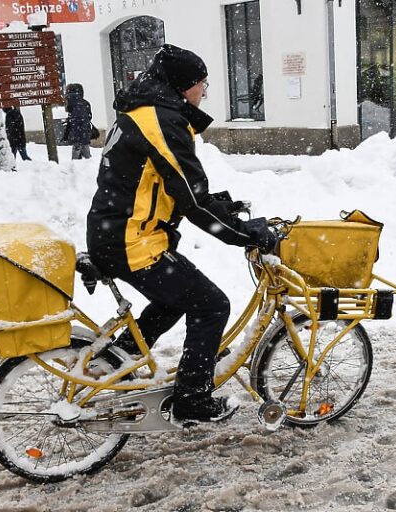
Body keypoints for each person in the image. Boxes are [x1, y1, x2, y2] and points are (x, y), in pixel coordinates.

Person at [86, 44, 276, 424]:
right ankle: (192, 399)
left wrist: (225, 208)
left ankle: (116, 357)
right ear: (183, 85)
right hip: (131, 241)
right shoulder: (160, 121)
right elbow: (191, 199)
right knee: (211, 305)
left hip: (117, 233)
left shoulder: (143, 113)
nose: (204, 92)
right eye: (202, 84)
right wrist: (246, 235)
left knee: (175, 298)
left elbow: (167, 186)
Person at [64, 83, 93, 160]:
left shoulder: (69, 102)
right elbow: (89, 117)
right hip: (84, 131)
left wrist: (67, 133)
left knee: (75, 157)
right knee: (87, 155)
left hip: (75, 132)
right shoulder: (85, 103)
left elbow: (71, 119)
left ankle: (75, 168)